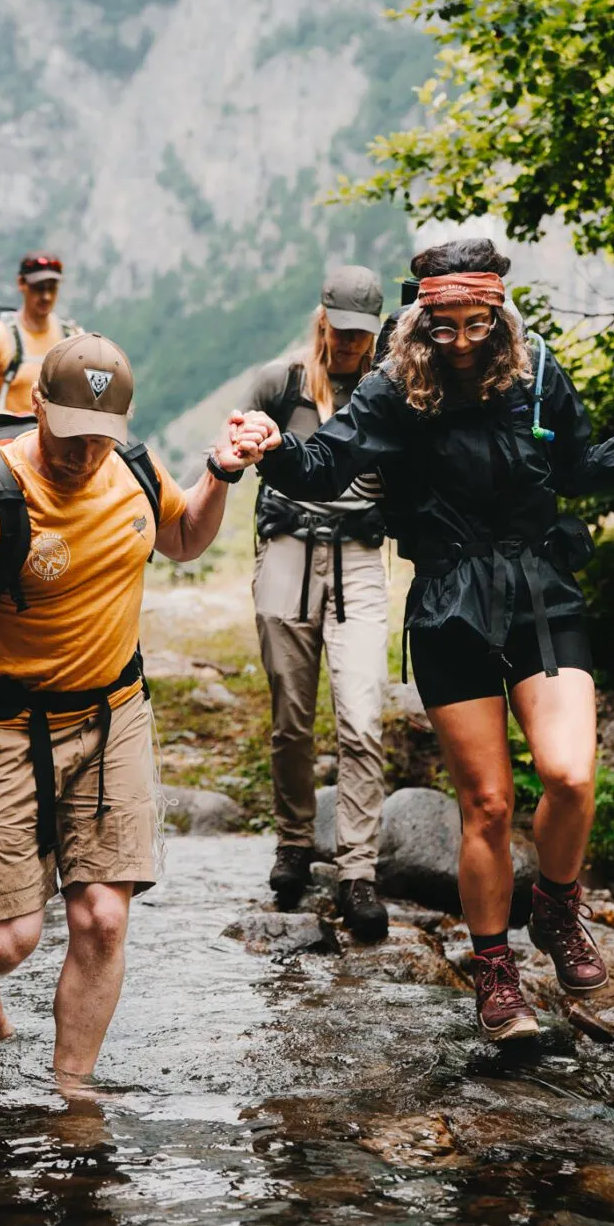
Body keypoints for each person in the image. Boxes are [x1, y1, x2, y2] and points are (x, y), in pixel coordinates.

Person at [238, 238, 614, 1041]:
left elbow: (579, 465)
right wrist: (273, 449)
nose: (462, 342)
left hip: (541, 593)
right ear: (421, 318)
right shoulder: (392, 388)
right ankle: (495, 975)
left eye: (477, 323)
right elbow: (324, 466)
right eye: (443, 328)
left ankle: (554, 907)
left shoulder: (539, 371)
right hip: (448, 603)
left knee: (570, 775)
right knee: (486, 803)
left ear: (499, 309)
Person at [0, 332, 253, 1084]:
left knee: (102, 918)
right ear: (35, 406)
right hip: (6, 728)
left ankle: (72, 1101)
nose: (85, 453)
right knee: (7, 942)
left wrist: (219, 474)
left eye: (101, 438)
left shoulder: (131, 467)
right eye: (70, 434)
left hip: (114, 715)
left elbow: (183, 537)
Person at [244, 266, 391, 942]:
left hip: (360, 557)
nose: (352, 345)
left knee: (362, 717)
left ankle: (358, 869)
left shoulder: (393, 390)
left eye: (364, 333)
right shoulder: (280, 384)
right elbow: (244, 446)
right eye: (343, 330)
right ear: (322, 319)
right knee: (291, 719)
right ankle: (295, 845)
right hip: (287, 549)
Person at [0, 252, 78, 416]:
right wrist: (14, 420)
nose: (46, 296)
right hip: (8, 436)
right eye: (39, 288)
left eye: (52, 288)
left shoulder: (72, 337)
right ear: (21, 283)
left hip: (60, 436)